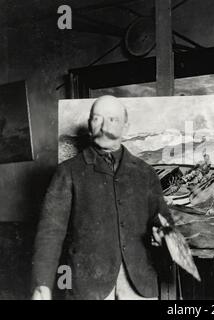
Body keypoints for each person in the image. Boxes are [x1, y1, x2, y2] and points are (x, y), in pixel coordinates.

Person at [31, 95, 174, 300]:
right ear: (90, 125)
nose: (104, 126)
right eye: (97, 118)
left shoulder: (146, 173)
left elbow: (163, 221)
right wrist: (42, 284)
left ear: (126, 126)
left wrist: (166, 234)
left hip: (140, 285)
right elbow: (50, 233)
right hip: (86, 288)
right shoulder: (68, 172)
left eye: (112, 119)